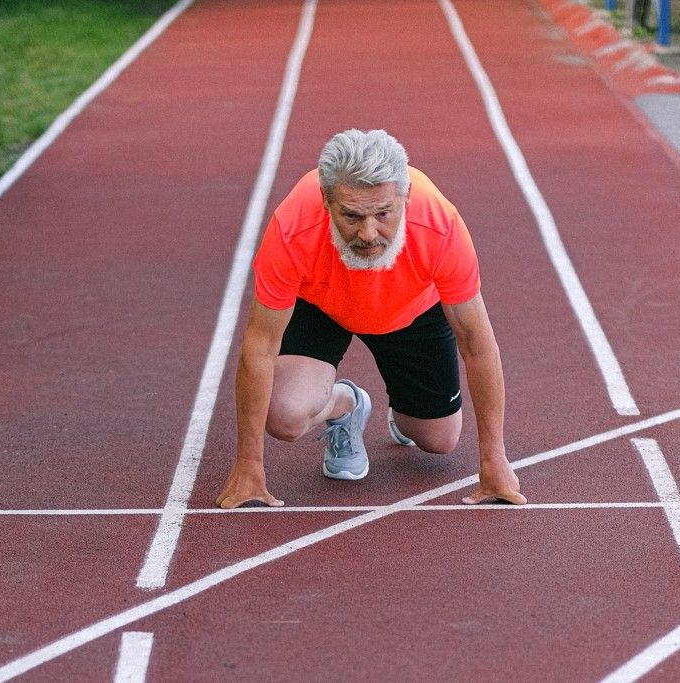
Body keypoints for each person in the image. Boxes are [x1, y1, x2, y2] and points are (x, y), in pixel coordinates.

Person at [216, 129, 526, 508]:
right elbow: (260, 348)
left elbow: (477, 344)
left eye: (383, 214)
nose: (368, 233)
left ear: (406, 197)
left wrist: (494, 459)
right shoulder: (292, 227)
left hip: (411, 308)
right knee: (284, 416)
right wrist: (249, 464)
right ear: (327, 201)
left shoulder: (440, 225)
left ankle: (405, 411)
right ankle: (346, 404)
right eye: (351, 216)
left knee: (439, 441)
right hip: (322, 304)